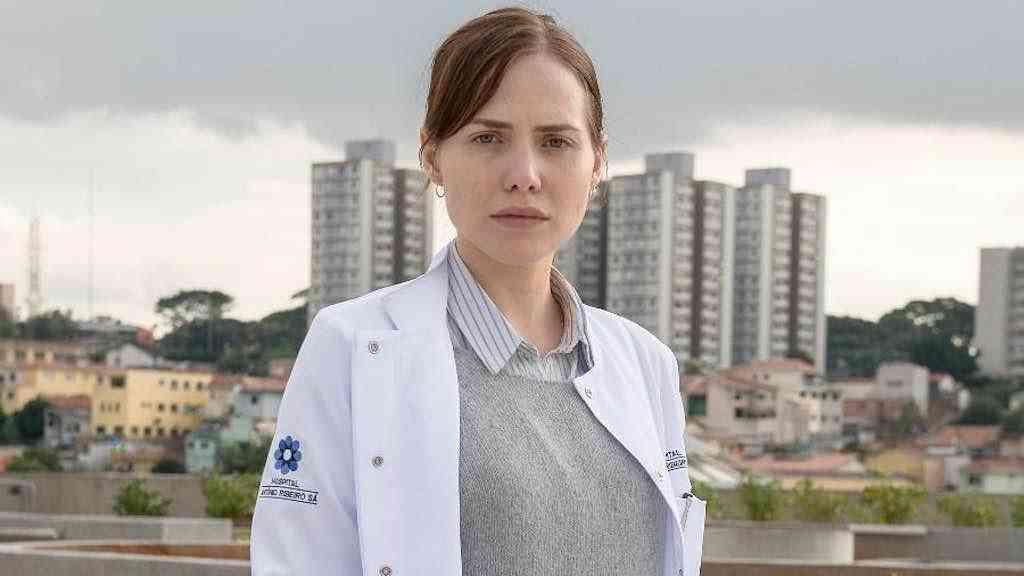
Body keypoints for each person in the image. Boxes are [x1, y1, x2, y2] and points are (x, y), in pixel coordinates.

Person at [251, 7, 705, 575]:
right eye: (488, 137)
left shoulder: (645, 364)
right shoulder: (352, 347)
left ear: (597, 162)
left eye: (556, 141)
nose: (524, 174)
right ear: (432, 156)